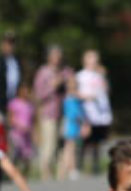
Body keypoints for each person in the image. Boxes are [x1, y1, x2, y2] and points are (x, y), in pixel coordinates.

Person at [33, 45, 71, 180]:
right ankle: (46, 175)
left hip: (64, 113)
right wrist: (53, 86)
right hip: (48, 114)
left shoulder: (66, 71)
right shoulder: (43, 73)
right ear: (49, 57)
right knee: (49, 145)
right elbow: (38, 95)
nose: (57, 58)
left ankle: (61, 175)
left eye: (59, 56)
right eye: (54, 55)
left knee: (63, 145)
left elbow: (73, 88)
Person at [76, 50, 113, 174]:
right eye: (92, 59)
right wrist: (85, 97)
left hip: (101, 114)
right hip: (87, 112)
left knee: (97, 141)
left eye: (96, 59)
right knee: (85, 141)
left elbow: (107, 90)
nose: (95, 62)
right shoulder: (80, 76)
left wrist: (104, 76)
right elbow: (73, 92)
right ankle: (78, 167)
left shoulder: (100, 75)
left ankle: (95, 166)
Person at [57, 70, 85, 181]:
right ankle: (70, 170)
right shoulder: (70, 97)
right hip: (71, 124)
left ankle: (66, 170)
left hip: (75, 124)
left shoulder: (75, 96)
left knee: (71, 148)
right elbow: (72, 113)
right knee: (70, 147)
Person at [7, 82, 35, 174]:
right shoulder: (14, 103)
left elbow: (33, 120)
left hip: (27, 134)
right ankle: (12, 174)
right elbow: (10, 118)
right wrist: (18, 125)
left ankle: (24, 174)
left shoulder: (30, 105)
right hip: (17, 134)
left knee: (27, 157)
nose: (26, 93)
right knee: (15, 155)